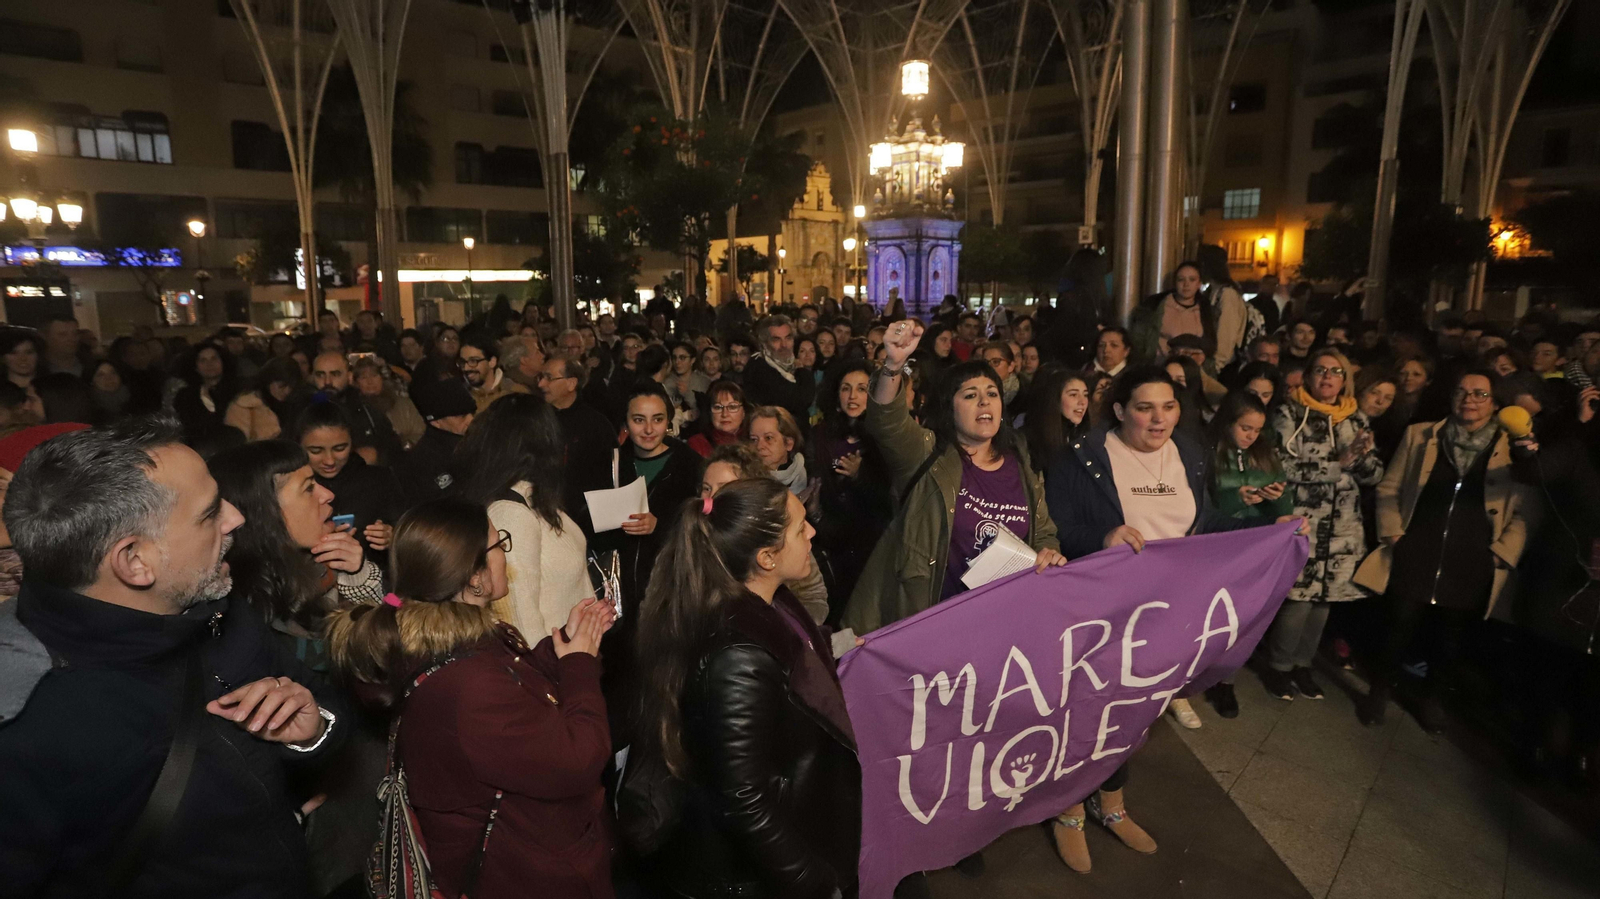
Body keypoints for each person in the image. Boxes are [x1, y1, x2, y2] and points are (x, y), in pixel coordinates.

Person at [0, 417, 343, 897]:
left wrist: (310, 734)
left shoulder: (220, 609)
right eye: (208, 514)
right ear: (135, 561)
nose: (236, 518)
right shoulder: (26, 725)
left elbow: (325, 710)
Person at [1044, 366, 1285, 870]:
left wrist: (1266, 527)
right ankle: (1066, 809)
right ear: (1118, 411)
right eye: (1145, 408)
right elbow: (1059, 529)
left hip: (1169, 612)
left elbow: (1204, 522)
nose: (1159, 419)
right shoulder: (1083, 458)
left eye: (1169, 407)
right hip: (1102, 610)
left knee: (1137, 712)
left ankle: (1111, 804)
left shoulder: (1190, 454)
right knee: (1087, 710)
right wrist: (1104, 537)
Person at [326, 499, 617, 899]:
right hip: (520, 871)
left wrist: (559, 648)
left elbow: (510, 684)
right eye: (500, 545)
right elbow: (579, 759)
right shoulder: (468, 685)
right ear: (475, 578)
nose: (505, 556)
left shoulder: (453, 639)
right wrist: (580, 665)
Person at [629, 478, 859, 899]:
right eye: (799, 527)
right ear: (767, 558)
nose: (812, 533)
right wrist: (814, 883)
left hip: (799, 834)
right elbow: (745, 799)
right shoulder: (738, 656)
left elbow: (792, 661)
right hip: (756, 879)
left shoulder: (773, 602)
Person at [207, 437, 386, 894]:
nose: (327, 493)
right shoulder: (234, 609)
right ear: (264, 510)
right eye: (308, 487)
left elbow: (386, 641)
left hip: (356, 785)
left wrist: (364, 576)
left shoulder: (314, 568)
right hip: (315, 819)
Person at [846, 320, 1064, 629]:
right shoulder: (926, 453)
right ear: (950, 408)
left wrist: (1049, 554)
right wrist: (893, 364)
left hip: (999, 623)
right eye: (971, 395)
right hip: (930, 624)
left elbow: (1044, 534)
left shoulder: (1021, 462)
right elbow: (886, 421)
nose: (985, 401)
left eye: (992, 393)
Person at [1354, 369, 1532, 730]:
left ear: (1496, 404)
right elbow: (1389, 488)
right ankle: (1379, 690)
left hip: (1472, 557)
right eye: (1462, 392)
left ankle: (1432, 699)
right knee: (1399, 625)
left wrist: (1502, 551)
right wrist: (1394, 533)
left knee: (1451, 638)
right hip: (1417, 547)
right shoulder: (1421, 435)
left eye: (1480, 394)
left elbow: (1528, 509)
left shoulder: (1510, 448)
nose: (1469, 399)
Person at [1266, 350, 1384, 701]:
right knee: (1297, 598)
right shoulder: (1289, 413)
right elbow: (1280, 468)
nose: (1327, 378)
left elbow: (1375, 474)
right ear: (1308, 375)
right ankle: (1279, 667)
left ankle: (1303, 666)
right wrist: (1338, 464)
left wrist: (1360, 459)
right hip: (1304, 521)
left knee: (1325, 600)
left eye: (1335, 372)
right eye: (1320, 370)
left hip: (1343, 527)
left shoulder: (1355, 417)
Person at [453, 394, 592, 643]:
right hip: (549, 668)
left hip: (572, 658)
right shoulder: (510, 513)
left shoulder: (536, 499)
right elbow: (518, 620)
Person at [1204, 391, 1294, 719]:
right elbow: (1207, 509)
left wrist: (1276, 497)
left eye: (1257, 429)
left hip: (1255, 545)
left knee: (1241, 617)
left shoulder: (1265, 454)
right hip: (1220, 546)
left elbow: (1285, 505)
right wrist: (1237, 498)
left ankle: (1225, 681)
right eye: (1245, 427)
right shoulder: (1210, 453)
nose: (1251, 436)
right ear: (1228, 422)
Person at [807, 361, 892, 616]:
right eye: (846, 388)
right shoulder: (820, 434)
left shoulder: (884, 437)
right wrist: (816, 511)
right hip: (830, 541)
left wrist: (859, 477)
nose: (853, 396)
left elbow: (889, 500)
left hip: (872, 547)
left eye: (862, 389)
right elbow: (817, 484)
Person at [294, 401, 403, 567]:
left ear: (352, 443)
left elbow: (410, 535)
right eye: (316, 451)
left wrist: (392, 537)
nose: (329, 460)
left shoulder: (380, 480)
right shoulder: (289, 489)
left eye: (340, 448)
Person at [310, 351, 404, 465]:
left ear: (349, 376)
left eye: (335, 374)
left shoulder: (366, 410)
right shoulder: (301, 410)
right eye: (320, 375)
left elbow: (393, 450)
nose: (327, 381)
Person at [395, 377, 477, 506]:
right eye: (459, 416)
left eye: (472, 413)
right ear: (436, 422)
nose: (470, 420)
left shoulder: (477, 442)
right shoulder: (424, 460)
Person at [742, 314, 815, 431]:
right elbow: (801, 400)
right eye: (776, 340)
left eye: (788, 338)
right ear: (765, 343)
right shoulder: (758, 367)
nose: (784, 345)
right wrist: (802, 370)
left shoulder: (791, 364)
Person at [1024, 367, 1093, 468]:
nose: (1082, 402)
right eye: (1073, 395)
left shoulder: (1086, 438)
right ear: (1055, 399)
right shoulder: (1030, 439)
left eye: (1085, 395)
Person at [225, 355, 304, 441]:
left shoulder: (295, 406)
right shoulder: (244, 408)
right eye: (281, 386)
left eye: (291, 386)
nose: (287, 391)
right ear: (269, 380)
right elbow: (236, 447)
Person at [352, 355, 424, 449]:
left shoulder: (404, 405)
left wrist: (404, 444)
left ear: (382, 378)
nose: (370, 381)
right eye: (363, 378)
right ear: (357, 383)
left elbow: (420, 433)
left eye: (374, 375)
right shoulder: (353, 408)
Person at [750, 405, 807, 495]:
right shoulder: (743, 477)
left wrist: (813, 509)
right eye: (754, 439)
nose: (759, 446)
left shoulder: (802, 477)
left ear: (789, 444)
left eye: (768, 438)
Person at [688, 378, 749, 457]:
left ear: (743, 412)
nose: (724, 414)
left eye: (732, 407)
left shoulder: (754, 441)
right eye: (718, 407)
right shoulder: (697, 444)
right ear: (710, 412)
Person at [461, 336, 522, 413]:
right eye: (463, 362)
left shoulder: (516, 393)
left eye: (473, 361)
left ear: (492, 362)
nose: (466, 368)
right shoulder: (458, 397)